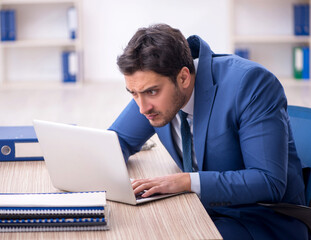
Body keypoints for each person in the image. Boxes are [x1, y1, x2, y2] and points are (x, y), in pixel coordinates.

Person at [108, 24, 309, 240]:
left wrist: (186, 181)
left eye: (151, 92)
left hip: (262, 219)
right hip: (201, 211)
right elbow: (114, 143)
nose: (142, 108)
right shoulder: (150, 94)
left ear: (183, 78)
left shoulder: (250, 84)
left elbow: (269, 181)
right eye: (133, 94)